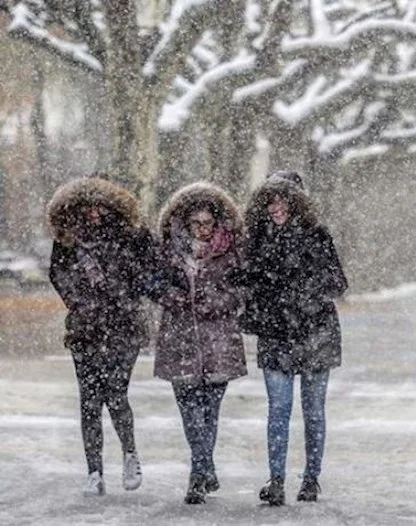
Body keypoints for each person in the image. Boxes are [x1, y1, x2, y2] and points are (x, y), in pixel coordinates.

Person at [240, 172, 348, 506]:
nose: (276, 207)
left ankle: (311, 480)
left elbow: (338, 283)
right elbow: (249, 282)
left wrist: (303, 291)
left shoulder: (317, 236)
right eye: (270, 200)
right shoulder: (256, 239)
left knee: (313, 410)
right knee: (279, 409)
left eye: (282, 200)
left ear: (296, 201)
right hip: (276, 334)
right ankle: (276, 481)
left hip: (315, 333)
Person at [47, 176, 155, 496]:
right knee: (89, 401)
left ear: (113, 204)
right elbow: (58, 273)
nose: (93, 211)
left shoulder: (133, 235)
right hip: (85, 329)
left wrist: (125, 296)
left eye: (100, 204)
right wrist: (79, 301)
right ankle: (94, 471)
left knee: (116, 393)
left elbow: (148, 272)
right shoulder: (68, 237)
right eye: (87, 205)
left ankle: (130, 453)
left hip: (125, 327)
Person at [152, 182, 248, 504]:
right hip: (179, 341)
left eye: (208, 222)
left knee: (209, 412)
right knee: (189, 413)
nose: (203, 229)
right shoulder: (168, 250)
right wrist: (173, 296)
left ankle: (199, 472)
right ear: (185, 222)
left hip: (218, 342)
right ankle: (203, 467)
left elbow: (244, 289)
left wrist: (218, 301)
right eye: (197, 223)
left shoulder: (232, 250)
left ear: (218, 222)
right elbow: (152, 282)